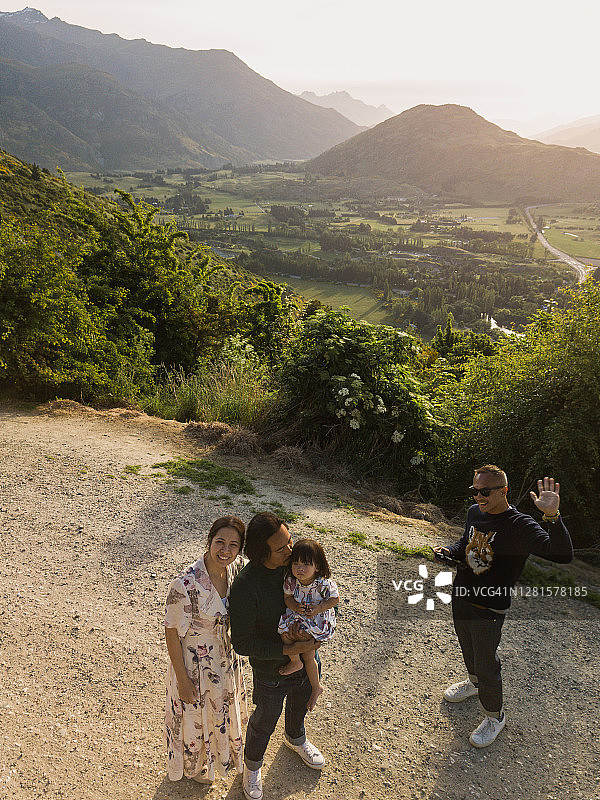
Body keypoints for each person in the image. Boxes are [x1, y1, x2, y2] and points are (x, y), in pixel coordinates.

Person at [434, 466, 573, 748]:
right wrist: (449, 552)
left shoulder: (519, 525)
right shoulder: (475, 513)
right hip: (461, 595)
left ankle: (495, 716)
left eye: (485, 492)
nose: (478, 497)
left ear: (503, 491)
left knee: (487, 662)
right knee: (467, 647)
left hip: (490, 606)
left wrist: (552, 517)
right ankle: (473, 685)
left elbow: (562, 555)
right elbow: (466, 543)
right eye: (475, 491)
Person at [229, 513, 325, 800]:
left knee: (300, 703)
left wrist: (319, 629)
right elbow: (242, 643)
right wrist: (288, 650)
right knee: (265, 719)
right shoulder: (246, 587)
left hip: (307, 659)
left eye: (290, 540)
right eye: (282, 547)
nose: (291, 550)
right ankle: (252, 767)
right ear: (261, 553)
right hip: (271, 670)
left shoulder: (295, 566)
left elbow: (324, 591)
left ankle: (295, 738)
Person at [164, 515, 248, 784]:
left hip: (225, 659)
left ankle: (217, 761)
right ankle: (195, 767)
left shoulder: (236, 571)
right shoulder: (185, 584)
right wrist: (182, 680)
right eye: (220, 542)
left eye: (233, 545)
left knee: (218, 714)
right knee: (194, 718)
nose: (225, 550)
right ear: (209, 541)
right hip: (194, 664)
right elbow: (171, 633)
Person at [277, 538, 339, 711]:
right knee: (283, 632)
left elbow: (335, 599)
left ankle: (315, 686)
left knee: (309, 654)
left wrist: (319, 607)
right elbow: (287, 598)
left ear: (317, 566)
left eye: (305, 564)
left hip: (316, 618)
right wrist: (295, 606)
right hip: (297, 615)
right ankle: (294, 661)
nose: (299, 568)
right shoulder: (291, 581)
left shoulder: (323, 584)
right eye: (295, 563)